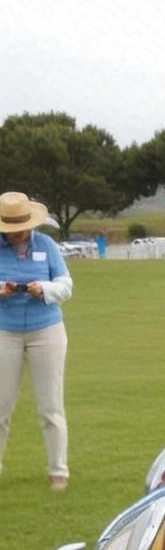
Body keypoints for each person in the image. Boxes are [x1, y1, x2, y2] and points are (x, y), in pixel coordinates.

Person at [0, 192, 73, 490]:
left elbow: (66, 286)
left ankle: (58, 471)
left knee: (51, 406)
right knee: (1, 406)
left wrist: (42, 288)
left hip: (47, 330)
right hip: (5, 331)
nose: (18, 232)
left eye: (22, 225)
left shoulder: (46, 245)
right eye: (11, 227)